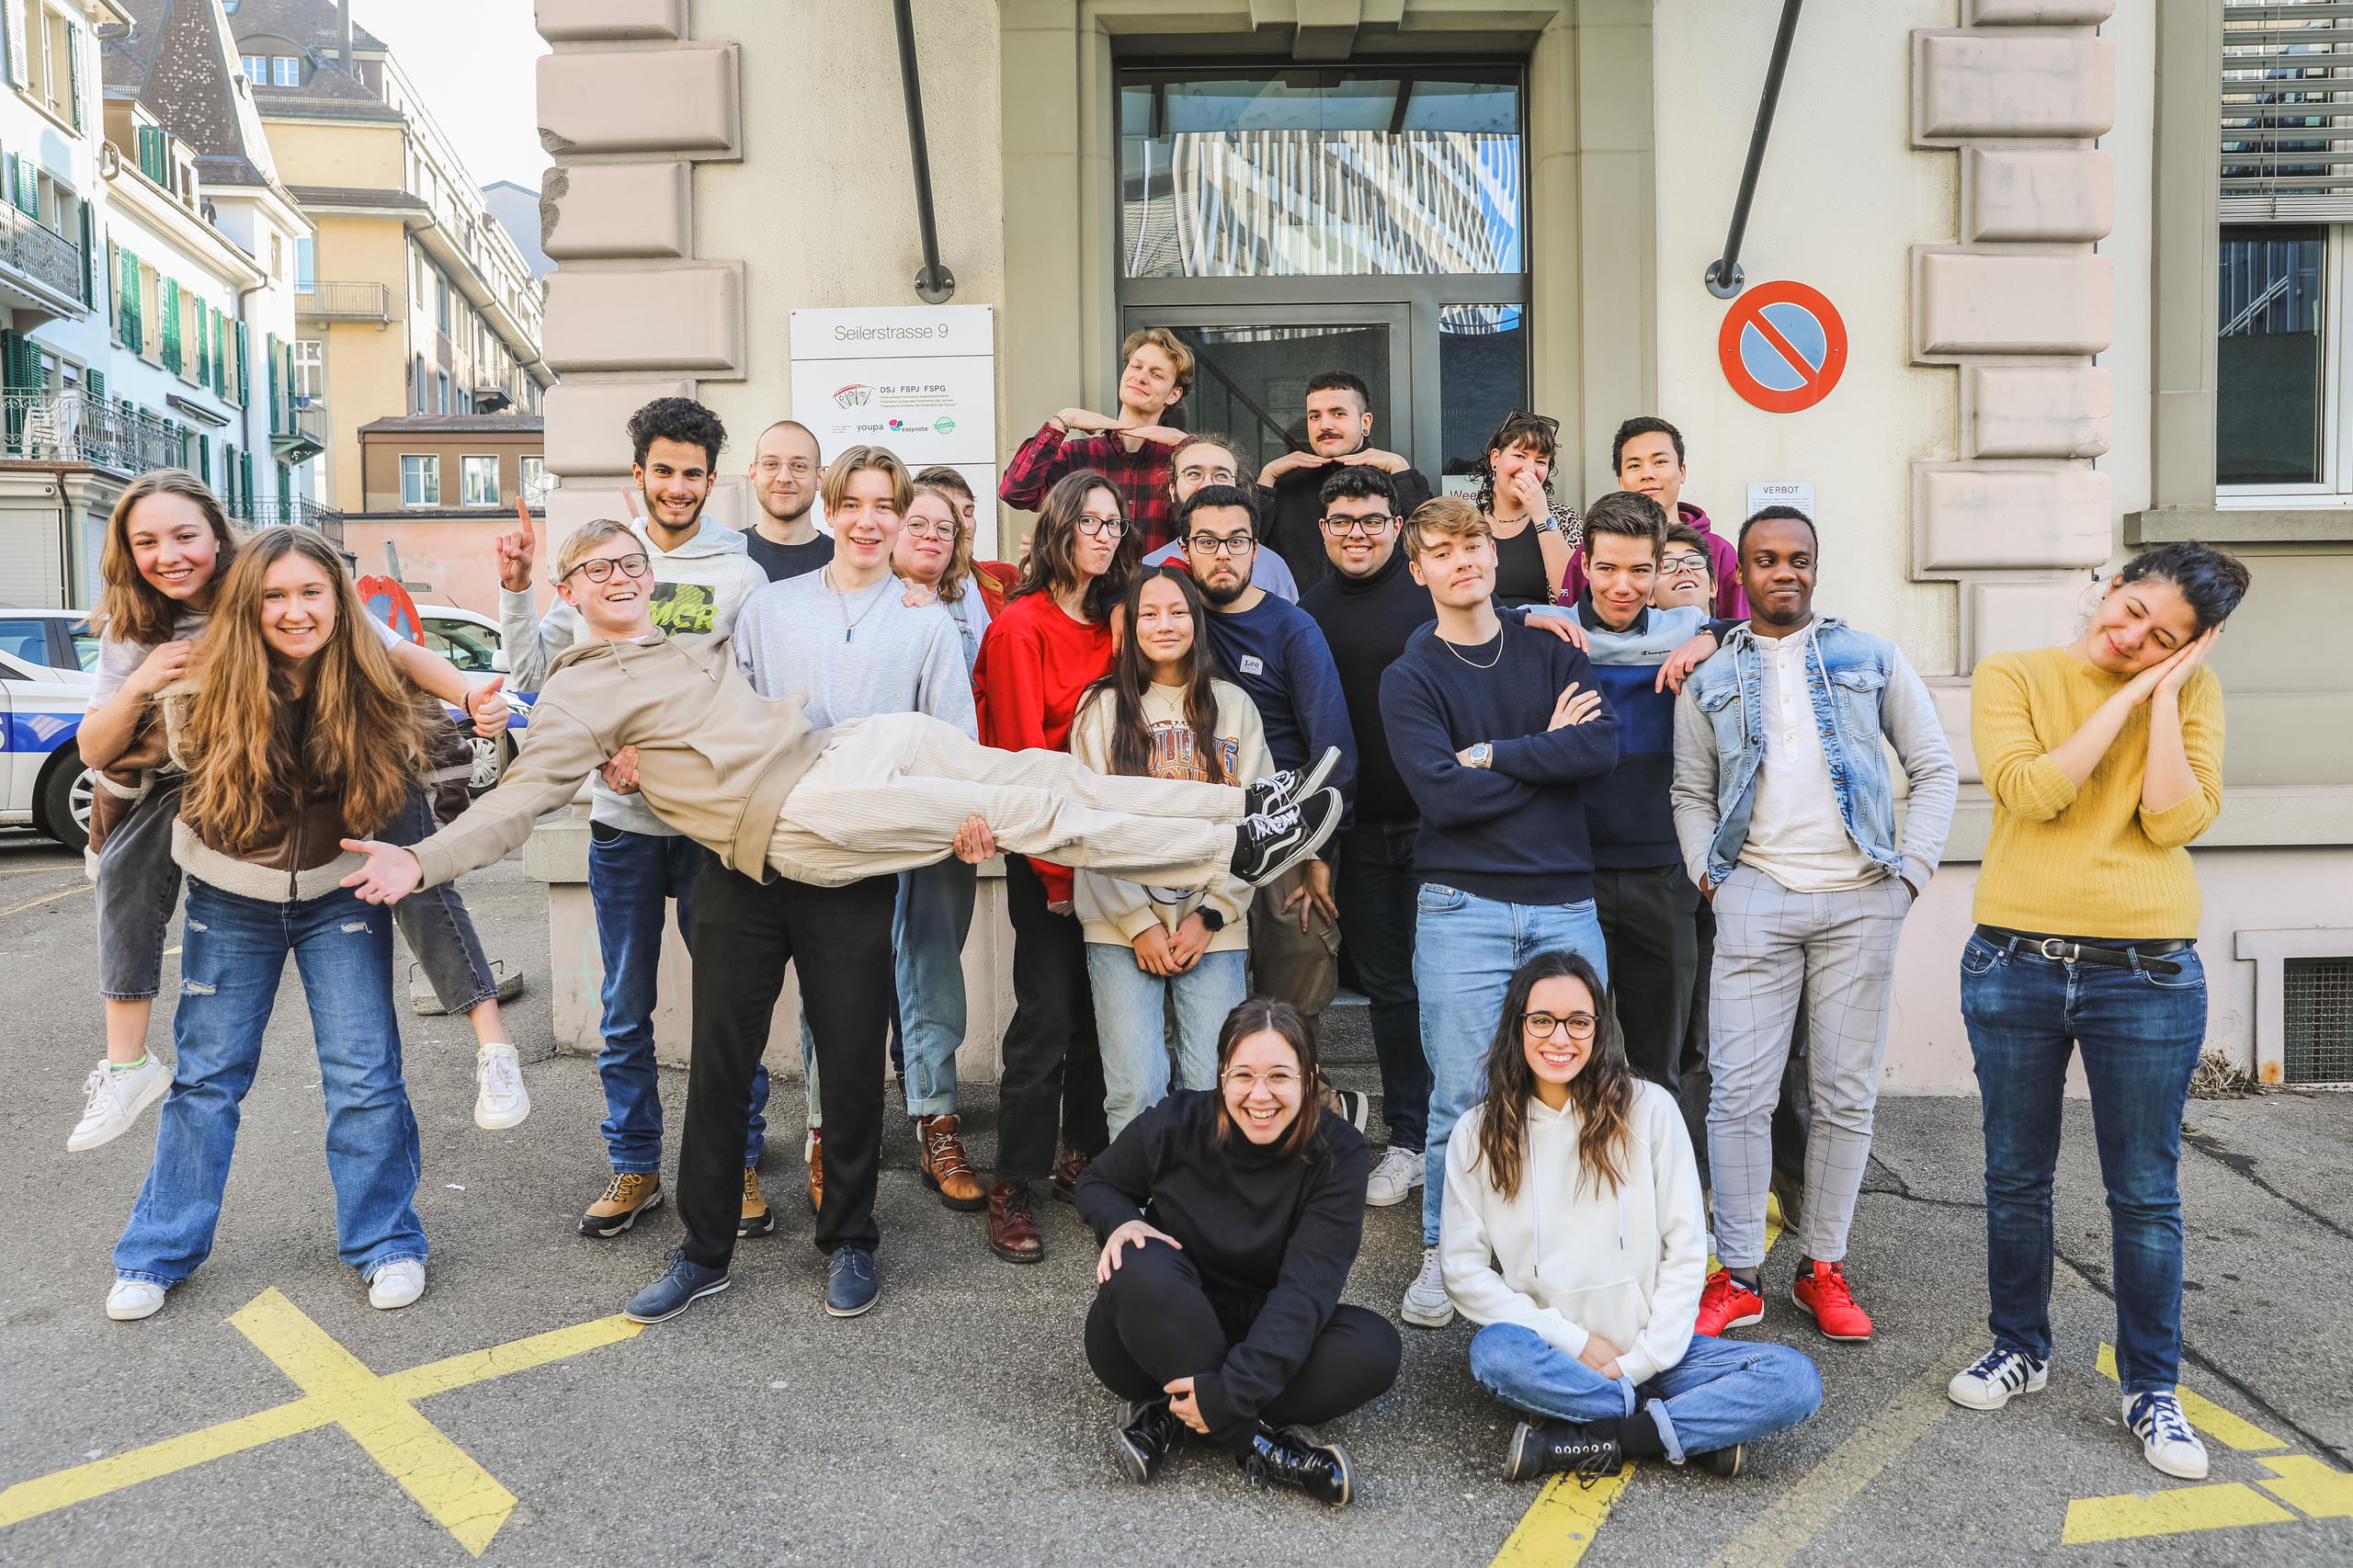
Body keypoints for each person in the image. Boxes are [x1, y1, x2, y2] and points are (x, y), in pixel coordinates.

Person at [339, 518, 1344, 1324]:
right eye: (595, 567)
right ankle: (702, 1253)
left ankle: (1244, 816)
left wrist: (925, 586)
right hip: (788, 828)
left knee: (1029, 774)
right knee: (1002, 830)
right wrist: (421, 855)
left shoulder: (691, 642)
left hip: (838, 753)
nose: (618, 575)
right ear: (569, 590)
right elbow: (518, 798)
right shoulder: (575, 690)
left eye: (629, 562)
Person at [72, 471, 519, 1155]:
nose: (169, 554)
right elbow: (97, 750)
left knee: (411, 857)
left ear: (220, 540)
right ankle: (127, 1064)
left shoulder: (274, 580)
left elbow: (398, 651)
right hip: (202, 774)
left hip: (326, 770)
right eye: (147, 542)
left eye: (186, 535)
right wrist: (142, 681)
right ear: (127, 553)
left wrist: (471, 693)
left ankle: (492, 1042)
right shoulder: (140, 627)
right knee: (127, 870)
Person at [1948, 543, 2247, 1483]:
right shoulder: (2014, 674)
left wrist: (2164, 697)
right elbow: (2032, 791)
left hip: (2147, 971)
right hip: (2015, 960)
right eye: (2129, 612)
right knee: (2014, 1172)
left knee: (2145, 1192)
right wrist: (2123, 693)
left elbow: (2170, 820)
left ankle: (2150, 1384)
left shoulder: (2193, 698)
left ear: (2195, 647)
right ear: (2111, 584)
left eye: (2161, 640)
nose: (2129, 638)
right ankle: (2020, 1345)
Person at [104, 528, 438, 1322]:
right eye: (273, 596)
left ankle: (386, 1241)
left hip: (339, 895)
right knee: (207, 1079)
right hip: (229, 898)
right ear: (249, 606)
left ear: (338, 599)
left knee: (365, 1075)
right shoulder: (203, 681)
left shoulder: (369, 676)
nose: (293, 611)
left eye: (310, 592)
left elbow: (440, 743)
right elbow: (105, 754)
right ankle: (155, 1254)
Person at [1671, 506, 1957, 1344]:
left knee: (1842, 1095)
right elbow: (1689, 791)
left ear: (1815, 569)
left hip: (1862, 896)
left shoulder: (1871, 658)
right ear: (1743, 573)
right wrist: (1711, 879)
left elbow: (1935, 768)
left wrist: (1909, 877)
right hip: (1755, 896)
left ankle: (1821, 1268)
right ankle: (1738, 1274)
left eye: (1798, 558)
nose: (1783, 572)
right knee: (1738, 1095)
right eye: (1765, 559)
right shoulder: (1711, 677)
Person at [496, 397, 771, 1242]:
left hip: (709, 830)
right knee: (624, 1008)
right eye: (665, 471)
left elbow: (747, 695)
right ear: (639, 477)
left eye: (694, 474)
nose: (679, 486)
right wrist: (514, 591)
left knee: (729, 1005)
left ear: (711, 482)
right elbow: (539, 675)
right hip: (620, 829)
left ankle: (740, 1163)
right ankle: (635, 1165)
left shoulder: (742, 574)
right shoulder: (603, 561)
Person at [1381, 495, 1620, 1331]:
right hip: (1462, 907)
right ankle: (1448, 1258)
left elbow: (1595, 747)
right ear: (1420, 572)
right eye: (1441, 551)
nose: (1462, 561)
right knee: (1463, 1100)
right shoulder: (1410, 677)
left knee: (1572, 1094)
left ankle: (1551, 1259)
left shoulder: (1550, 646)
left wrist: (1493, 755)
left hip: (1563, 903)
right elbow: (1441, 798)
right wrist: (1537, 759)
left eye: (1474, 544)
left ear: (1492, 552)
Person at [1444, 951, 1821, 1481]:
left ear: (1599, 1029)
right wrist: (1575, 1344)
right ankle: (1676, 1431)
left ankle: (1591, 1436)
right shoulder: (1477, 1133)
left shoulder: (1649, 1109)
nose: (1560, 1038)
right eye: (1542, 1020)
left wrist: (1638, 1362)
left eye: (1578, 1021)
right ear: (1517, 1026)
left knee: (1794, 1379)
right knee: (1494, 1353)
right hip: (1555, 1356)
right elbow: (1462, 1271)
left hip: (1660, 1353)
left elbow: (1687, 1245)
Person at [744, 447, 975, 1240]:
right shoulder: (772, 610)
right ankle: (823, 1128)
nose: (870, 522)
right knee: (830, 993)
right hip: (817, 830)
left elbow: (952, 734)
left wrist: (962, 815)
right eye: (856, 504)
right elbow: (738, 718)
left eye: (889, 508)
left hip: (911, 820)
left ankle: (936, 1120)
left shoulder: (926, 618)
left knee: (930, 970)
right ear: (830, 511)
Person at [1076, 996, 1399, 1506]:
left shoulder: (1338, 1152)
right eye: (1244, 1075)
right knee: (1137, 1258)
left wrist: (1225, 1395)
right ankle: (1262, 1444)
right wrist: (1119, 1222)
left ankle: (1171, 1413)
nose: (1260, 1095)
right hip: (1157, 1329)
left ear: (1309, 1078)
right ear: (1222, 1074)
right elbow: (1097, 1181)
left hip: (1266, 1326)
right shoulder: (1177, 1122)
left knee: (1376, 1347)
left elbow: (1306, 1294)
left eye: (1280, 1076)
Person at [970, 470, 1129, 1262]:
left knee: (1105, 1014)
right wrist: (1060, 880)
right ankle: (1014, 1182)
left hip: (1119, 849)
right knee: (1046, 1019)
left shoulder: (1118, 620)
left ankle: (1083, 1157)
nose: (1105, 535)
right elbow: (1022, 764)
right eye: (1091, 522)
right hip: (1051, 854)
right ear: (1059, 527)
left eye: (1114, 524)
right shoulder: (1020, 628)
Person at [1072, 566, 1266, 1136]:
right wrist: (1137, 923)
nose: (1164, 624)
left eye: (1178, 611)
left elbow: (1260, 826)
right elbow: (1088, 828)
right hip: (1120, 922)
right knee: (1136, 1084)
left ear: (1196, 622)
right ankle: (1135, 1211)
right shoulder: (1100, 708)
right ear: (1129, 627)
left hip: (1213, 924)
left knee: (1213, 1082)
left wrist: (1213, 914)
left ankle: (1201, 1205)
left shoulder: (1234, 707)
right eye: (1148, 613)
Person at [1178, 485, 1358, 1051]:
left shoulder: (1291, 628)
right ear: (1185, 548)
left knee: (1290, 1006)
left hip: (1285, 836)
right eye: (1207, 541)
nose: (1222, 554)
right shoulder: (1170, 620)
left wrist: (1319, 856)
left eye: (1237, 540)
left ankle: (1310, 1110)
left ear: (1257, 550)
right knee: (1201, 1008)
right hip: (1196, 830)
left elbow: (1332, 747)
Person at [1298, 466, 1432, 1209]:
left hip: (1438, 830)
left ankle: (1468, 1138)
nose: (1358, 532)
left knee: (1452, 989)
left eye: (1373, 520)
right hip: (1353, 834)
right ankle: (1409, 1141)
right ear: (1323, 530)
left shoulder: (1430, 597)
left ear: (1397, 526)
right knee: (1390, 993)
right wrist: (1316, 845)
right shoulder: (1306, 614)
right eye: (1344, 520)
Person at [1563, 493, 1726, 1090]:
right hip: (1571, 875)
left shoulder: (1687, 630)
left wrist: (1713, 636)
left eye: (1639, 569)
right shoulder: (1552, 632)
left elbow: (1768, 630)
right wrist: (1527, 617)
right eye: (1607, 568)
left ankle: (1663, 1179)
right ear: (1584, 564)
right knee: (1575, 1053)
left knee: (1666, 1055)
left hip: (1663, 873)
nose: (1622, 585)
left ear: (1660, 569)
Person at [999, 328, 1194, 556]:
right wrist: (1064, 419)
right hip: (1092, 591)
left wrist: (1188, 444)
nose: (1141, 377)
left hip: (1161, 589)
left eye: (1157, 374)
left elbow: (1222, 513)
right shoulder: (1077, 455)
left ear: (1174, 394)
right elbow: (1016, 492)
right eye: (1136, 366)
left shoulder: (1183, 461)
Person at [1254, 371, 1435, 594]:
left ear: (1365, 422)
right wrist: (1266, 479)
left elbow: (1433, 544)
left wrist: (1400, 469)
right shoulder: (1284, 483)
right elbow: (1245, 549)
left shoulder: (1395, 479)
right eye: (1315, 416)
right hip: (1297, 621)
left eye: (1338, 413)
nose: (1325, 425)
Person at [1564, 418, 1745, 618]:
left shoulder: (1719, 551)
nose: (1647, 474)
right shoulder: (1595, 548)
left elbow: (1737, 630)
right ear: (1621, 480)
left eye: (1660, 462)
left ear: (1682, 471)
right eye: (1634, 466)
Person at [1138, 432, 1299, 601]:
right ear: (1173, 491)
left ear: (1237, 488)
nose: (1207, 484)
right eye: (1193, 474)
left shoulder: (1272, 567)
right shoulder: (1150, 567)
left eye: (1221, 475)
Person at [1472, 410, 1580, 609]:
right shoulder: (1467, 522)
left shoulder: (1565, 519)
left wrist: (1541, 515)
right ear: (1495, 458)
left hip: (1545, 636)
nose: (1529, 469)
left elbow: (1572, 595)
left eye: (1540, 461)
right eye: (1520, 455)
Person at [914, 464, 1018, 616]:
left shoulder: (1009, 578)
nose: (964, 525)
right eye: (952, 514)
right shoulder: (900, 594)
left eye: (968, 513)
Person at [742, 419, 834, 582]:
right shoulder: (727, 554)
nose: (784, 478)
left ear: (820, 478)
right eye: (771, 464)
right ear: (754, 475)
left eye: (799, 466)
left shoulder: (842, 563)